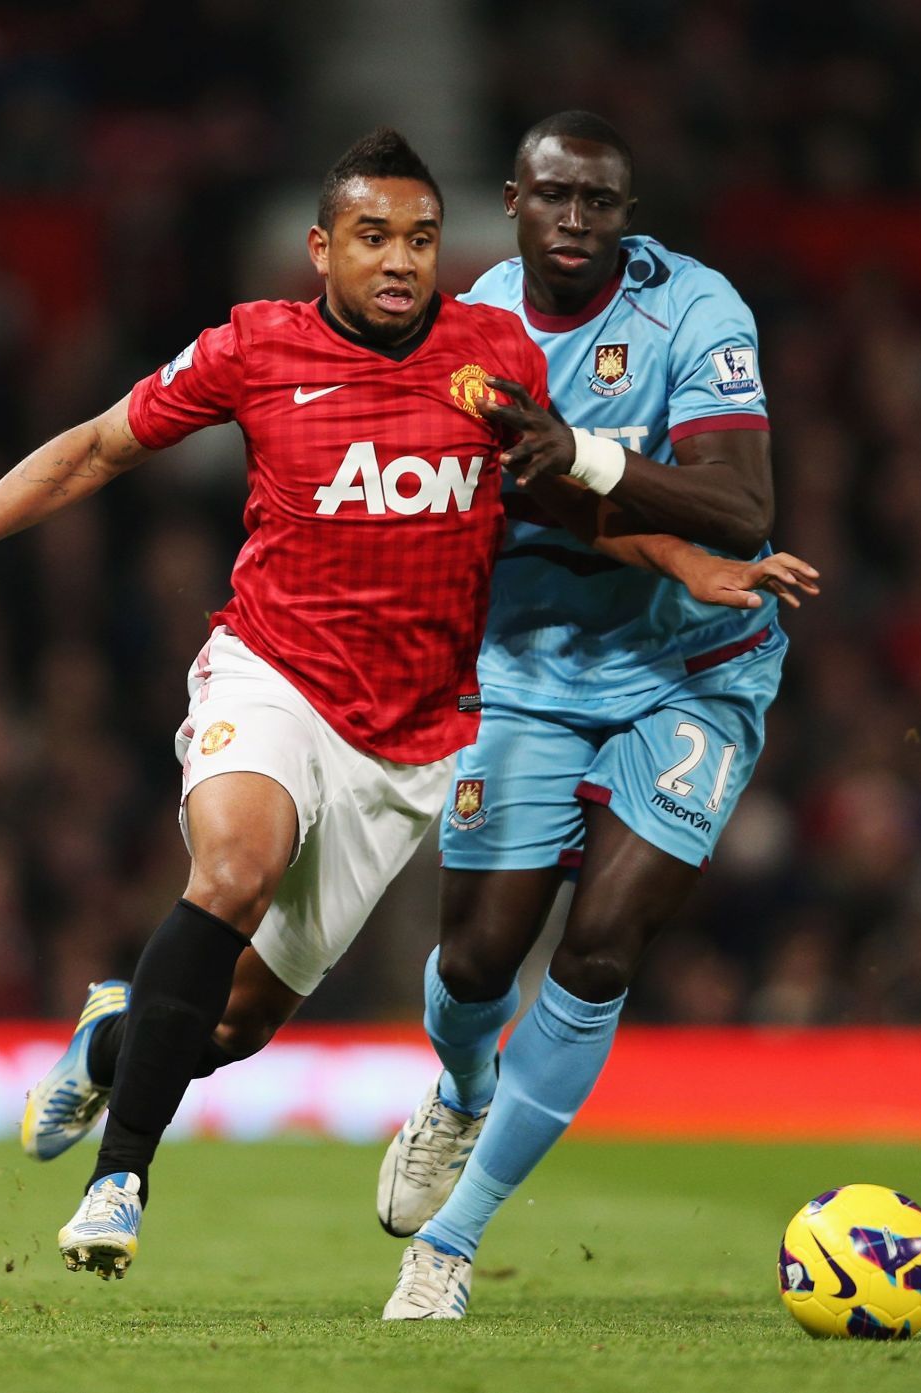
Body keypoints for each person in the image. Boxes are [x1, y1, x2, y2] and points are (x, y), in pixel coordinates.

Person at [0, 128, 790, 1281]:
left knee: (229, 1025)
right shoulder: (253, 347)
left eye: (419, 238)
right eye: (371, 237)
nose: (400, 260)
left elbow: (548, 495)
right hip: (271, 675)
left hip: (405, 745)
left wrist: (678, 561)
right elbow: (100, 448)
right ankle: (123, 1180)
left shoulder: (492, 351)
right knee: (233, 871)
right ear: (320, 249)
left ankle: (114, 1035)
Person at [376, 111, 811, 1320]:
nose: (577, 222)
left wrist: (595, 461)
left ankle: (450, 1248)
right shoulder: (474, 335)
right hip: (526, 665)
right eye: (555, 198)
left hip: (697, 669)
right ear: (510, 202)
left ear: (628, 211)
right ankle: (459, 1094)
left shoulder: (697, 312)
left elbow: (745, 503)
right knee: (474, 961)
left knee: (606, 940)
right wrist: (642, 531)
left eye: (601, 203)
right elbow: (527, 502)